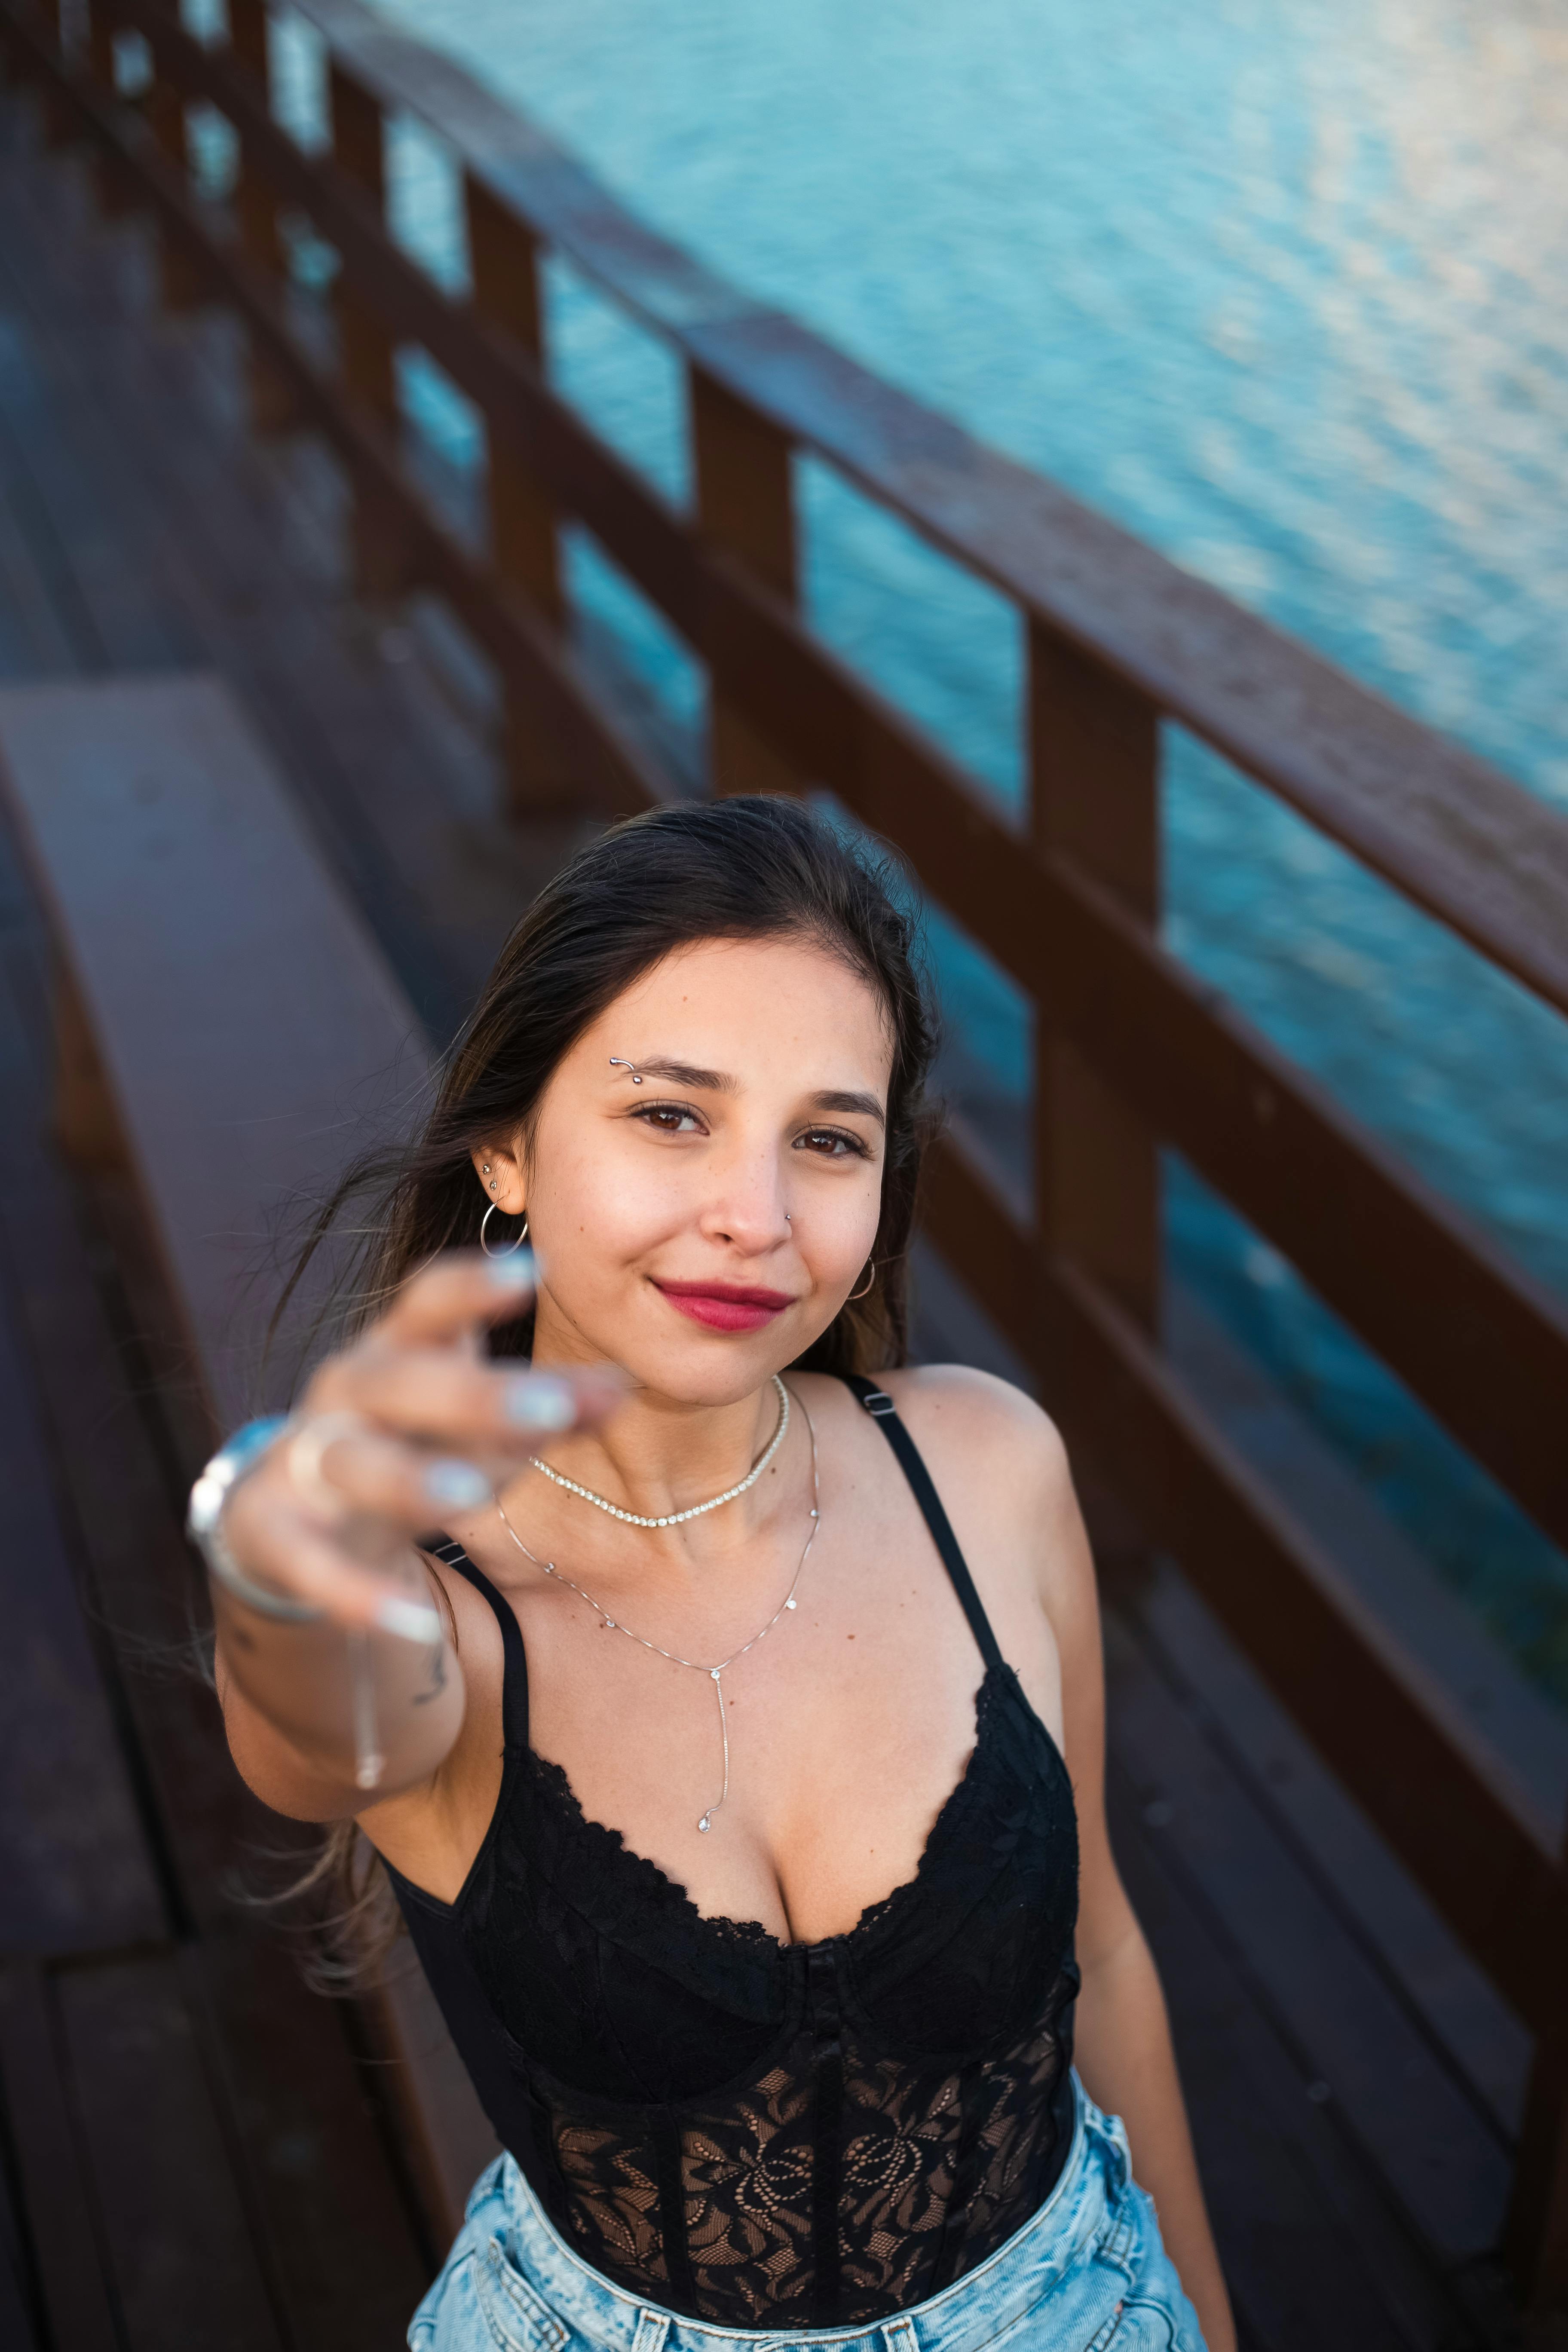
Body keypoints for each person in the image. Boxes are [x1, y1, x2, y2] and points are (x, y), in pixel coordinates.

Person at [194, 796, 1234, 2351]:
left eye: (827, 1140)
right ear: (510, 1147)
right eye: (671, 1115)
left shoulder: (986, 1468)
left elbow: (1109, 1951)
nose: (756, 1221)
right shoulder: (434, 1617)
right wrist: (282, 1554)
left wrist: (1202, 2322)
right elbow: (308, 1742)